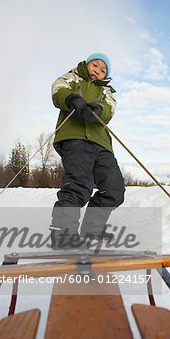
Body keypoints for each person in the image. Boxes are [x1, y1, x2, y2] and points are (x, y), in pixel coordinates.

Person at [50, 53, 125, 249]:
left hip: (101, 144)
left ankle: (92, 231)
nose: (97, 71)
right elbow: (58, 90)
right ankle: (63, 236)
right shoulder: (72, 77)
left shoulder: (106, 92)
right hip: (74, 138)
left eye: (103, 70)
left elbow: (109, 110)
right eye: (95, 65)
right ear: (86, 64)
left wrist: (99, 110)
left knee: (114, 189)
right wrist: (71, 98)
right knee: (79, 185)